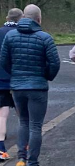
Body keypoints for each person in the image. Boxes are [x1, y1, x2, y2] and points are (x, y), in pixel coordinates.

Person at [0, 4, 60, 166]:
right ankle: (32, 161)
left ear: (24, 17)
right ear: (39, 19)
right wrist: (46, 75)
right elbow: (54, 63)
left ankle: (21, 158)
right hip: (37, 87)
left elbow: (4, 61)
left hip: (17, 87)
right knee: (35, 125)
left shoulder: (10, 37)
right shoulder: (45, 37)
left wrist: (15, 74)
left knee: (23, 122)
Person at [0, 8, 23, 162]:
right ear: (20, 19)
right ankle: (25, 145)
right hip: (19, 79)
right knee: (23, 114)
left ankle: (1, 149)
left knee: (2, 114)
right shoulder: (21, 33)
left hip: (0, 79)